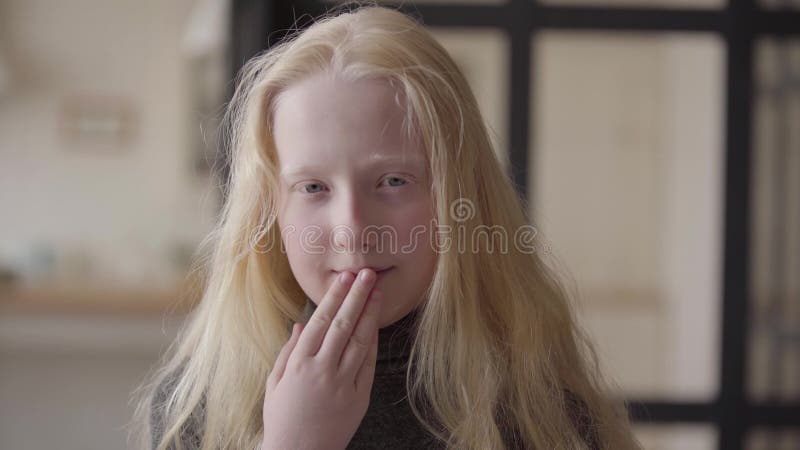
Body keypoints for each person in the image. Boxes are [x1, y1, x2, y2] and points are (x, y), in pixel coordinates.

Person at [129, 3, 642, 449]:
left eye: (393, 180)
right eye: (313, 188)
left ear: (457, 196)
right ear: (271, 212)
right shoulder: (196, 409)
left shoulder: (542, 411)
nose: (352, 230)